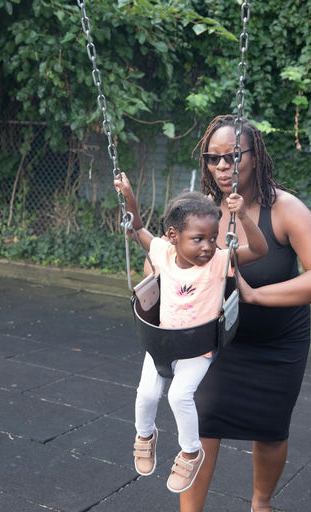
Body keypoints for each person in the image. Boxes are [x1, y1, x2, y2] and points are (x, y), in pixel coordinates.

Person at [180, 115, 311, 512]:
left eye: (232, 156)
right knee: (200, 426)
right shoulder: (204, 214)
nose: (222, 167)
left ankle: (261, 504)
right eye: (213, 159)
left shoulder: (285, 208)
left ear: (255, 156)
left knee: (270, 430)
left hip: (278, 344)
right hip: (221, 343)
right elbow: (174, 263)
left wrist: (255, 296)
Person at [113, 172, 268, 494]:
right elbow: (135, 228)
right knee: (146, 394)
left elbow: (259, 249)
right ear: (173, 236)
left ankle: (191, 451)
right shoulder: (161, 253)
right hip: (162, 341)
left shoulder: (219, 261)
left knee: (178, 395)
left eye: (213, 238)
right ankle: (145, 435)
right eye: (198, 239)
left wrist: (241, 217)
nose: (208, 246)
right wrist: (128, 195)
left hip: (199, 346)